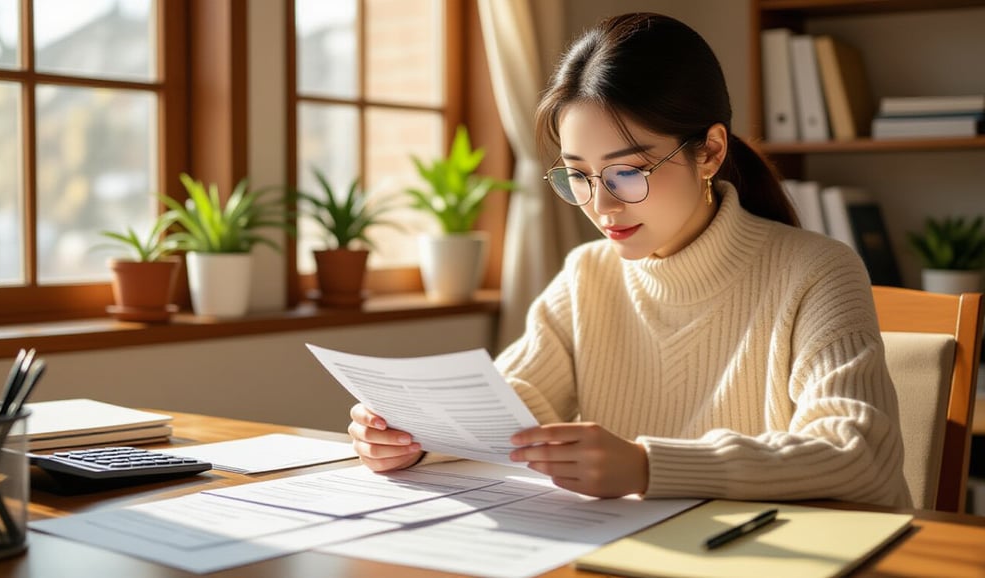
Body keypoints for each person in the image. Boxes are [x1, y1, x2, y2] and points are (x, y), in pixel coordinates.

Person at [348, 12, 912, 508]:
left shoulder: (817, 271)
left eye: (628, 171)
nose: (601, 204)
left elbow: (857, 451)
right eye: (578, 175)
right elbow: (511, 408)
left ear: (710, 151)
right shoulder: (587, 274)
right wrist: (414, 438)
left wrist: (647, 466)